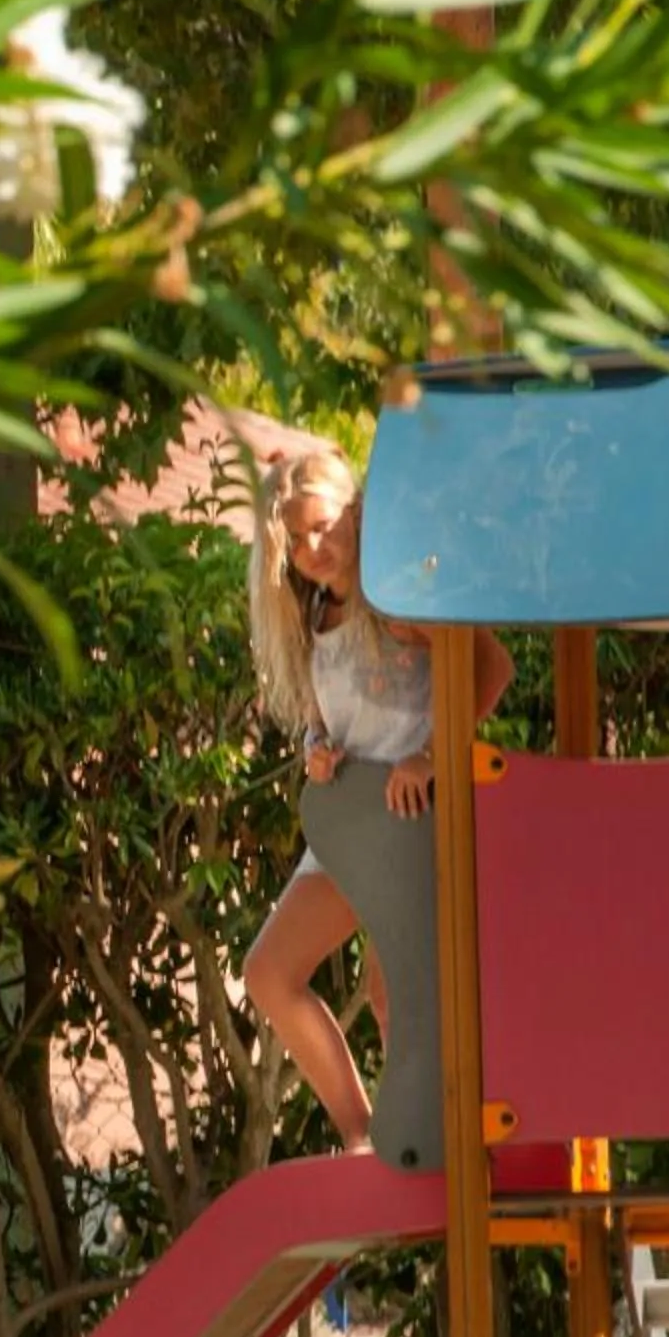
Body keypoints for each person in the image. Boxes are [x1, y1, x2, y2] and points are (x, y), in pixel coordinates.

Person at [240, 444, 512, 1151]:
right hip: (351, 826)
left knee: (399, 994)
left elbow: (490, 668)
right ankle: (364, 1137)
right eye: (296, 539)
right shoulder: (313, 619)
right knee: (269, 974)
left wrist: (432, 753)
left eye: (324, 527)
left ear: (358, 514)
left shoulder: (397, 601)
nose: (313, 548)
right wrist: (315, 751)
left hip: (407, 820)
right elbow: (323, 719)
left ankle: (427, 1140)